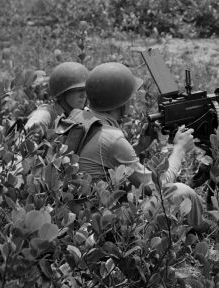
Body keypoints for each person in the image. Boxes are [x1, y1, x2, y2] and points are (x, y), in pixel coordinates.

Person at [67, 61, 208, 231]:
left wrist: (140, 147)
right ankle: (209, 233)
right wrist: (179, 149)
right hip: (100, 227)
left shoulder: (79, 117)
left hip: (75, 219)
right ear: (122, 102)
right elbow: (158, 186)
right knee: (182, 192)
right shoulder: (113, 138)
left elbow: (101, 161)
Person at [24, 61, 89, 137]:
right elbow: (25, 147)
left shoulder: (82, 115)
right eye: (78, 90)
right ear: (62, 93)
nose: (83, 95)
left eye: (86, 90)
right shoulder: (43, 118)